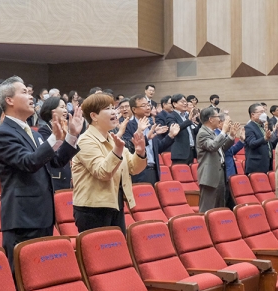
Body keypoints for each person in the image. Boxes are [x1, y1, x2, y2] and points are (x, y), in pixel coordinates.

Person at [0, 76, 83, 269]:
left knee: (41, 275)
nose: (30, 95)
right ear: (9, 100)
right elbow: (29, 162)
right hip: (22, 219)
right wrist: (54, 139)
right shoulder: (3, 133)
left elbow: (56, 161)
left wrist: (72, 135)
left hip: (42, 215)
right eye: (24, 92)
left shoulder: (32, 133)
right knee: (22, 277)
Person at [72, 93, 146, 234]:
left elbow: (132, 167)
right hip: (92, 209)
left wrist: (140, 152)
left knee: (116, 253)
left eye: (114, 107)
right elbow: (102, 172)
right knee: (98, 255)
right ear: (94, 116)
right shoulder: (85, 140)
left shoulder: (112, 139)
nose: (114, 112)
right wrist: (117, 150)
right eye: (108, 108)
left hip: (115, 203)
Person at [124, 95, 177, 187]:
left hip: (153, 170)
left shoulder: (150, 125)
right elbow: (129, 148)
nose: (148, 107)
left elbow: (158, 149)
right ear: (134, 109)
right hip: (138, 172)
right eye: (144, 105)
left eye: (148, 105)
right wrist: (146, 138)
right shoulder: (128, 126)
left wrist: (170, 135)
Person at [196, 108, 239, 212]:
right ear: (211, 119)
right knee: (208, 208)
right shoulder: (202, 133)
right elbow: (212, 146)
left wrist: (231, 136)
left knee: (219, 207)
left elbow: (221, 148)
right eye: (217, 117)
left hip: (219, 174)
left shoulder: (212, 132)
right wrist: (223, 131)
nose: (220, 120)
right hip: (210, 176)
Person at [38, 97, 74, 191]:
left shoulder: (66, 128)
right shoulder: (44, 130)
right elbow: (50, 154)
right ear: (52, 110)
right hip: (55, 177)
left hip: (66, 174)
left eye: (66, 107)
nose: (65, 110)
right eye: (62, 107)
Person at [167, 94, 199, 165]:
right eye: (182, 101)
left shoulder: (186, 116)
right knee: (181, 176)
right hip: (180, 154)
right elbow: (175, 130)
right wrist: (188, 121)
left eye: (186, 101)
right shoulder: (171, 116)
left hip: (191, 152)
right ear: (174, 104)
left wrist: (202, 122)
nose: (185, 103)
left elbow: (193, 132)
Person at [244, 103, 273, 174]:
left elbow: (268, 144)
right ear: (252, 114)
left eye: (264, 112)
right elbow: (252, 143)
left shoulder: (261, 126)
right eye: (261, 112)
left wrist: (277, 137)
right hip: (256, 165)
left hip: (266, 163)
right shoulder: (249, 127)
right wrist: (265, 138)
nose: (264, 114)